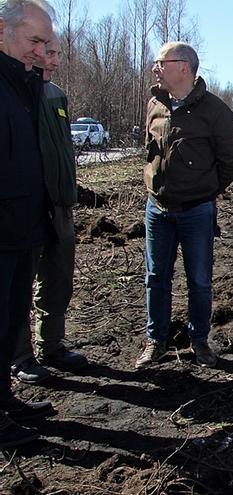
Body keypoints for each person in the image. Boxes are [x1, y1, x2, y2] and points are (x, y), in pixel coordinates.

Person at [136, 41, 233, 369]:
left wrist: (212, 188)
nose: (156, 67)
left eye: (161, 62)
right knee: (156, 277)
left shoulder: (215, 111)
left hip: (197, 210)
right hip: (157, 209)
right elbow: (150, 151)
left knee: (199, 279)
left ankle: (199, 342)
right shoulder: (156, 103)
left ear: (183, 67)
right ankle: (156, 341)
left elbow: (232, 161)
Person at [11, 32, 88, 385]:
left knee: (58, 280)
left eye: (57, 52)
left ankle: (52, 345)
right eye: (50, 52)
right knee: (20, 284)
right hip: (26, 207)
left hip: (60, 206)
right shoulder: (15, 92)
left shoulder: (56, 94)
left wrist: (70, 192)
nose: (55, 58)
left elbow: (61, 149)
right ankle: (20, 356)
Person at [0, 0, 57, 448]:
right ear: (2, 30)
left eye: (45, 43)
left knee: (10, 320)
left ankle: (4, 400)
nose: (41, 51)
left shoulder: (22, 83)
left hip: (22, 229)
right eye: (34, 40)